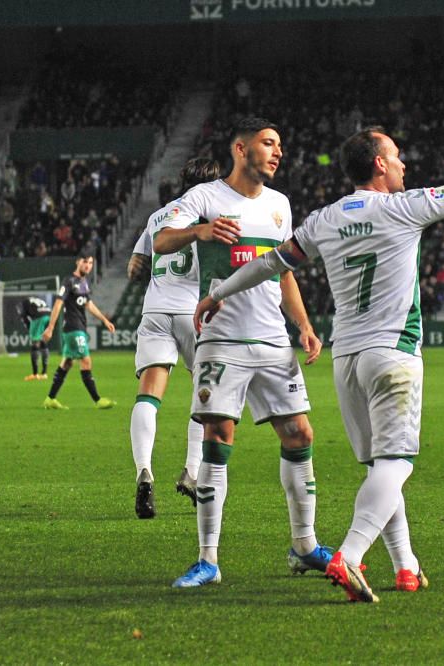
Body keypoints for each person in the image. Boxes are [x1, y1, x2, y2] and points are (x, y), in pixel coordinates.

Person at [195, 89, 444, 602]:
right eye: (398, 156)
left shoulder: (324, 219)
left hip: (347, 360)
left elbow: (271, 263)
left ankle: (405, 564)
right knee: (397, 463)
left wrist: (218, 293)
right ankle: (351, 555)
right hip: (394, 355)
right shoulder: (405, 207)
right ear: (381, 164)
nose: (405, 163)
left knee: (380, 465)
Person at [154, 118, 331, 587]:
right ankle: (208, 560)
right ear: (240, 148)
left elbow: (285, 271)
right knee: (219, 436)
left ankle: (305, 546)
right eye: (268, 143)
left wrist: (305, 326)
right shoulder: (204, 198)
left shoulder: (280, 205)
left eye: (280, 145)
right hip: (222, 338)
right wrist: (200, 232)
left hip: (273, 339)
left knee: (299, 433)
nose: (277, 152)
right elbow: (159, 241)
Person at [127, 157, 222, 519]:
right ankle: (191, 471)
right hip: (193, 313)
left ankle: (144, 470)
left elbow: (135, 266)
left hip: (154, 311)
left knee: (148, 395)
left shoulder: (158, 216)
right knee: (207, 392)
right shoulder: (211, 216)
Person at [41, 252, 117, 410]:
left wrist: (104, 320)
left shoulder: (84, 282)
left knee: (67, 363)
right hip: (73, 328)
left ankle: (50, 398)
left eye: (90, 263)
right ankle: (97, 400)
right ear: (77, 262)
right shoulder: (68, 281)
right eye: (85, 262)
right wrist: (50, 327)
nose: (88, 265)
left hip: (79, 327)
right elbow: (58, 304)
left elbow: (88, 304)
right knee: (86, 360)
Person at [18, 296, 52, 380]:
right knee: (43, 342)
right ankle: (44, 373)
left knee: (35, 342)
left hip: (38, 316)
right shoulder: (34, 300)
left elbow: (24, 317)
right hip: (49, 315)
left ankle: (35, 374)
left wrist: (30, 329)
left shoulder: (22, 305)